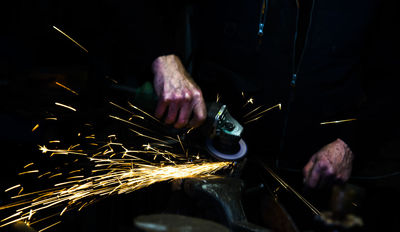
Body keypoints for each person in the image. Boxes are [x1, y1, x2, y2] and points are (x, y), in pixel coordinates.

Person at [149, 0, 398, 190]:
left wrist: (351, 144)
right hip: (216, 158)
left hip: (313, 178)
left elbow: (390, 81)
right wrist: (164, 57)